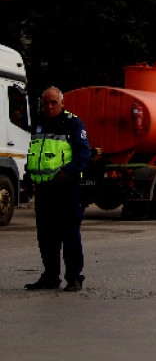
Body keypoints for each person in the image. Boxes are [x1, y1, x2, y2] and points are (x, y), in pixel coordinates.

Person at [24, 87, 91, 292]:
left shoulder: (72, 123)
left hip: (66, 190)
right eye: (46, 103)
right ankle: (50, 276)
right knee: (46, 236)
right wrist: (28, 177)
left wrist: (67, 173)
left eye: (54, 102)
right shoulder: (39, 124)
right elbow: (35, 154)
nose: (50, 106)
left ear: (62, 103)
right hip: (44, 190)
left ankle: (74, 278)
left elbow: (84, 154)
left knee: (70, 235)